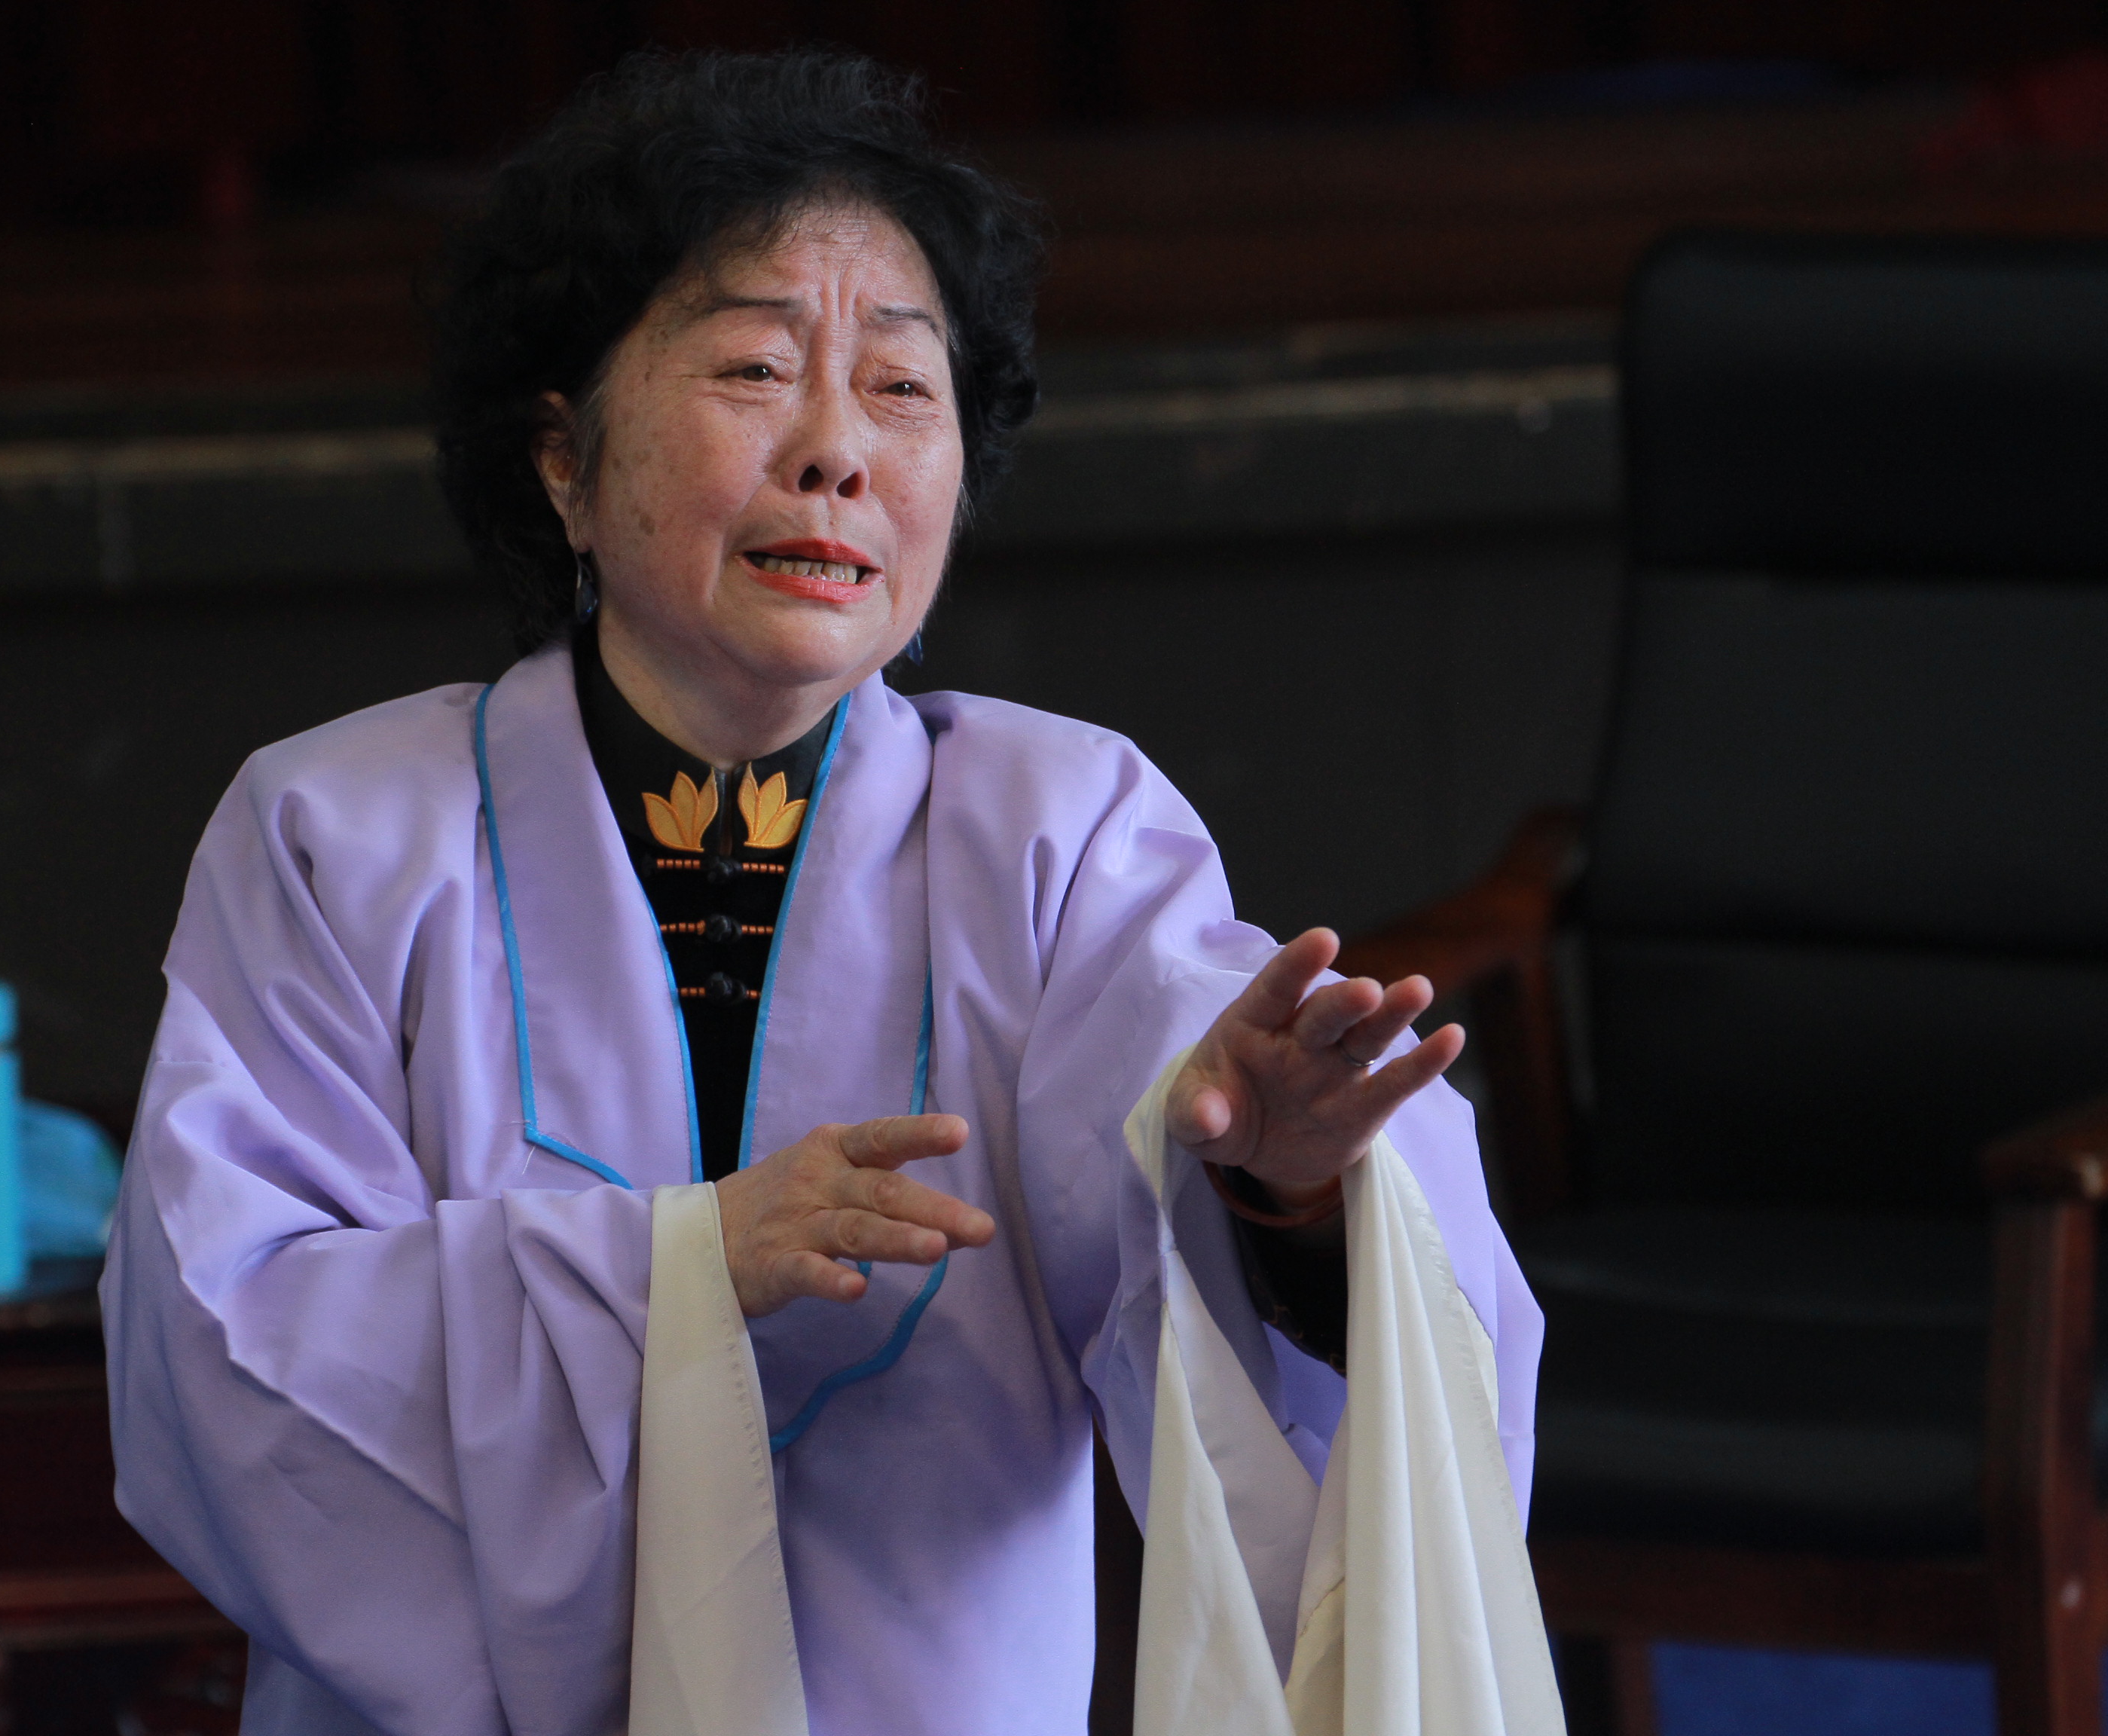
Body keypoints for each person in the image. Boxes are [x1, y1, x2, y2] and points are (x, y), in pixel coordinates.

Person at [102, 48, 1541, 1736]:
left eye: (902, 388)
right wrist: (684, 1273)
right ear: (562, 458)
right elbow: (226, 1345)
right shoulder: (331, 836)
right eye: (755, 369)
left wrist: (1281, 1187)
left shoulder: (1062, 834)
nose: (837, 452)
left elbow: (1186, 1112)